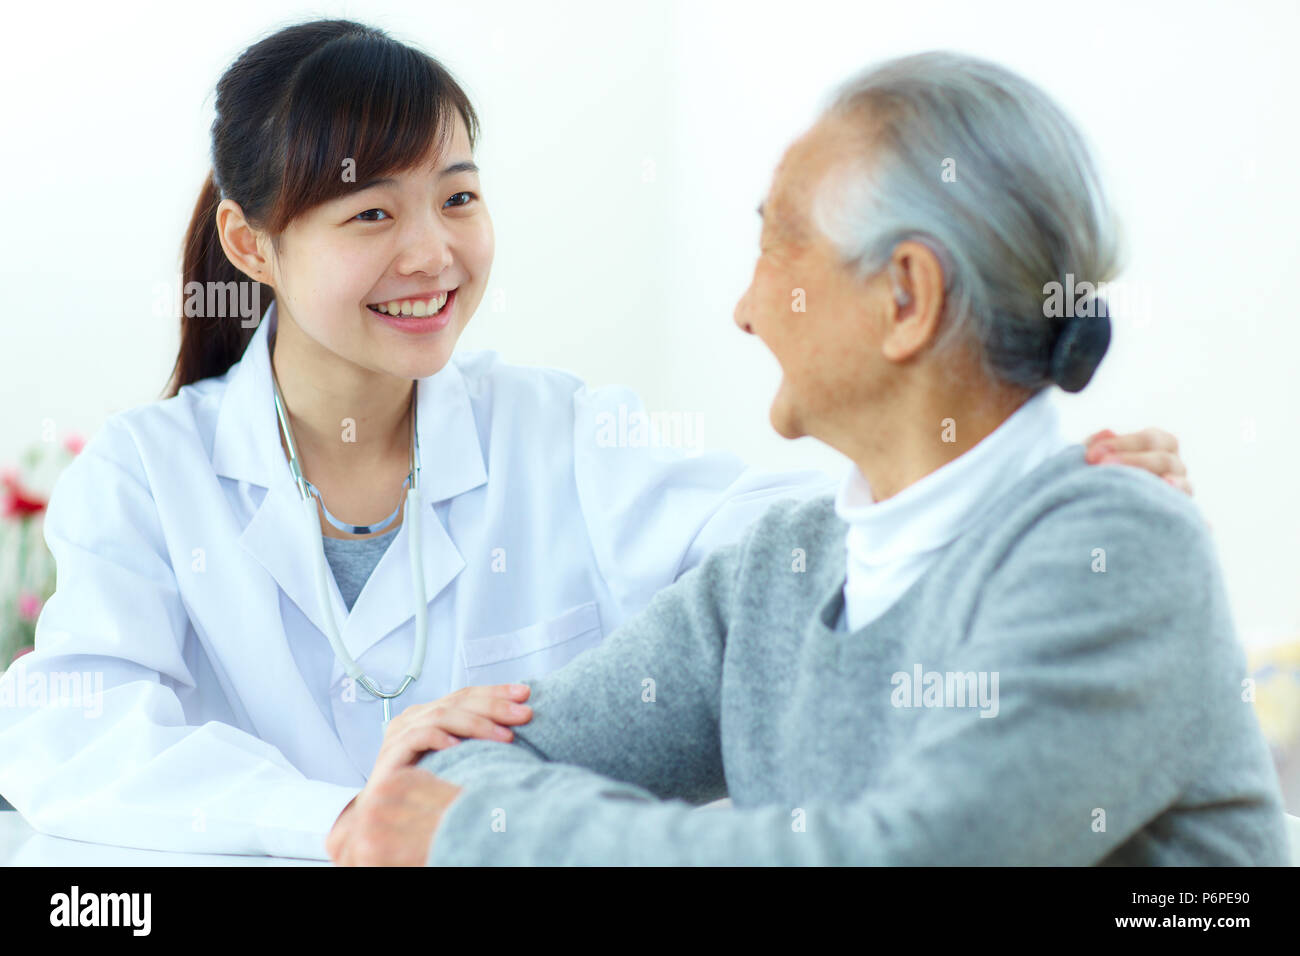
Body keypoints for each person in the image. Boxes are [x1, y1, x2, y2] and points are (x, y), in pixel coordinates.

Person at [0, 22, 1189, 861]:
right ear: (250, 245)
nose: (433, 253)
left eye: (459, 196)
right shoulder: (146, 476)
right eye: (374, 212)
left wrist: (1010, 481)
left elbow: (780, 538)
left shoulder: (560, 428)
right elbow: (72, 738)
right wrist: (336, 819)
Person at [327, 50, 1286, 866]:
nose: (744, 310)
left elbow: (909, 859)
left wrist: (489, 837)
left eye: (777, 246)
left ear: (906, 298)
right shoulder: (779, 570)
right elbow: (457, 770)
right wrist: (466, 811)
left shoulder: (1115, 548)